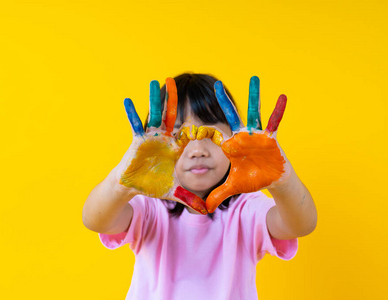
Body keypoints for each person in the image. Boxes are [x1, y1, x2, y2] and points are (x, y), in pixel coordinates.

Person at [82, 73, 317, 299]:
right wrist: (121, 184)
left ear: (237, 137)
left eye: (210, 133)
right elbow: (95, 220)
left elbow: (300, 224)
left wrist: (282, 180)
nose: (197, 151)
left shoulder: (245, 210)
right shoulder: (149, 208)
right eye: (178, 136)